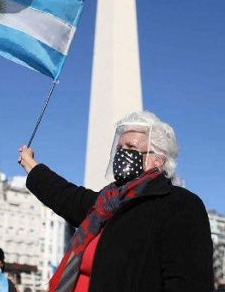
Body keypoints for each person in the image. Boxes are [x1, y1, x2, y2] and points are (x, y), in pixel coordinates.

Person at [18, 111, 214, 292]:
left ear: (158, 159)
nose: (123, 153)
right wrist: (31, 165)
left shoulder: (179, 205)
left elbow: (188, 283)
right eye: (120, 147)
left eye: (131, 147)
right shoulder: (106, 203)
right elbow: (66, 195)